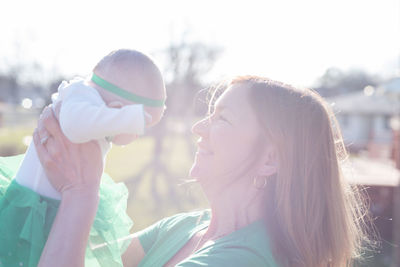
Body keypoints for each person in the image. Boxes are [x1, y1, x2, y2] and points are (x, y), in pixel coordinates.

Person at [33, 76, 372, 267]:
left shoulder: (243, 260)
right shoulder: (187, 228)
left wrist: (81, 191)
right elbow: (85, 256)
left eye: (222, 118)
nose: (198, 128)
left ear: (270, 159)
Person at [0, 49, 166, 267]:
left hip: (53, 209)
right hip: (30, 209)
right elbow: (73, 126)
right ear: (116, 110)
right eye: (138, 127)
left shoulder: (93, 109)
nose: (137, 135)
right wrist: (130, 117)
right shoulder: (79, 95)